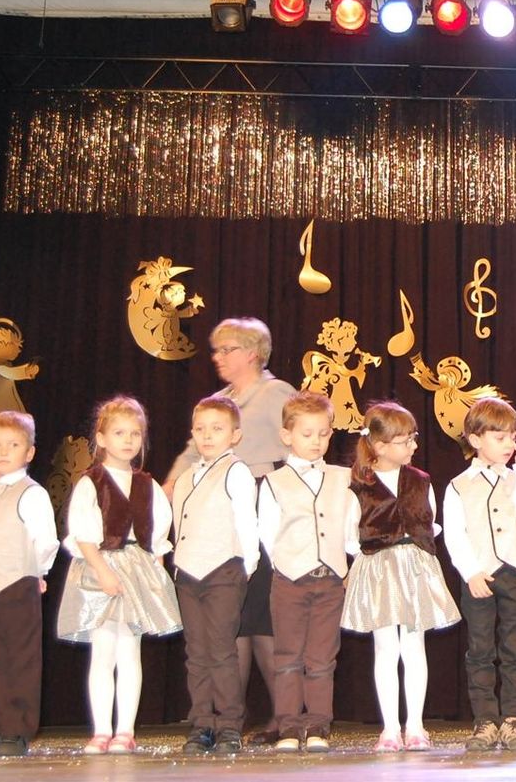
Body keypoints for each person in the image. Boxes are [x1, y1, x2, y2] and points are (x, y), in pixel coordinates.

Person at [167, 317, 297, 743]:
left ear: (253, 353)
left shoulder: (276, 392)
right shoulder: (217, 402)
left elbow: (298, 442)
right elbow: (192, 454)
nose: (218, 357)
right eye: (216, 350)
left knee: (262, 618)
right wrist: (169, 486)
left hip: (262, 503)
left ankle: (284, 718)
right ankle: (227, 719)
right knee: (232, 626)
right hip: (216, 511)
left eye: (227, 349)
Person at [57, 396, 182, 753]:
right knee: (103, 652)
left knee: (129, 652)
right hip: (100, 567)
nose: (128, 440)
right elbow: (83, 534)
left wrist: (154, 579)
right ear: (101, 438)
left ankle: (125, 731)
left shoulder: (148, 485)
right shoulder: (91, 482)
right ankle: (101, 730)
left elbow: (157, 537)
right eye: (119, 433)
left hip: (136, 569)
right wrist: (102, 572)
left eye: (135, 434)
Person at [340, 401, 460, 751]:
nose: (413, 445)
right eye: (405, 440)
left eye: (413, 438)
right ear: (379, 446)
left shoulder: (421, 481)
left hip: (414, 566)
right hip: (378, 566)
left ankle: (415, 726)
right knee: (385, 647)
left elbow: (430, 522)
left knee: (414, 645)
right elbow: (351, 533)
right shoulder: (360, 485)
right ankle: (390, 728)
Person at [442, 397, 516, 752]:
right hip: (480, 575)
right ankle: (484, 719)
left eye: (513, 437)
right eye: (500, 437)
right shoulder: (458, 485)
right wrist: (471, 572)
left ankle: (512, 718)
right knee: (480, 650)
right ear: (475, 439)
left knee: (515, 650)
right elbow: (455, 535)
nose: (509, 444)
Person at [259, 391, 353, 753]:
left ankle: (317, 725)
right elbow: (268, 532)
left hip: (330, 580)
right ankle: (288, 725)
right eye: (307, 434)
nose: (316, 441)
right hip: (290, 578)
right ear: (287, 435)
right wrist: (288, 564)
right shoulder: (274, 482)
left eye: (323, 434)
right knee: (287, 656)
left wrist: (346, 563)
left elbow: (350, 525)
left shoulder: (342, 478)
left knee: (322, 658)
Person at [0, 410, 59, 757]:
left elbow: (45, 539)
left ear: (29, 452)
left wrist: (38, 572)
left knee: (18, 658)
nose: (3, 451)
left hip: (15, 584)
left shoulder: (31, 493)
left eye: (13, 445)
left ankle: (15, 729)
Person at [170, 396, 260, 755]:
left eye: (217, 428)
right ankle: (202, 724)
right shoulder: (186, 477)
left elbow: (247, 522)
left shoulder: (236, 471)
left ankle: (229, 725)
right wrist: (178, 564)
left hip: (224, 568)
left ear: (235, 435)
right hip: (189, 572)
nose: (207, 436)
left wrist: (246, 565)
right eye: (201, 429)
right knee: (196, 652)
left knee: (222, 650)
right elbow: (180, 525)